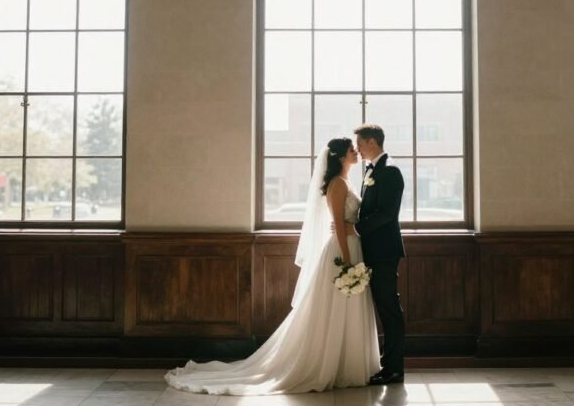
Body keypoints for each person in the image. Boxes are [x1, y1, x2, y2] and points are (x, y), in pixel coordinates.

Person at [165, 137, 379, 395]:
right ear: (340, 157)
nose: (356, 152)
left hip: (353, 247)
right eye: (351, 150)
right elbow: (337, 224)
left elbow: (347, 223)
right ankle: (328, 364)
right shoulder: (336, 184)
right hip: (342, 250)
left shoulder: (347, 182)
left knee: (347, 307)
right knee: (333, 308)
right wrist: (346, 261)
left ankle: (347, 364)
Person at [353, 123, 406, 385]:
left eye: (360, 145)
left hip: (385, 251)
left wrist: (355, 228)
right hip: (372, 250)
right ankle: (387, 365)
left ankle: (394, 369)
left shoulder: (391, 171)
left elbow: (387, 213)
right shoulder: (371, 171)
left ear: (372, 142)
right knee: (383, 308)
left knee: (389, 309)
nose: (358, 150)